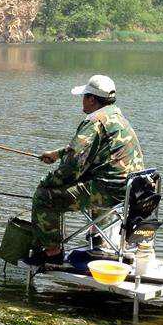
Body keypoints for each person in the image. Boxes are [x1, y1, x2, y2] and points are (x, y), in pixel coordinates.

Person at [28, 75, 145, 265]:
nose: (82, 100)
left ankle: (52, 253)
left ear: (91, 99)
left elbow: (72, 166)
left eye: (84, 96)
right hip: (131, 190)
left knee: (43, 197)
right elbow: (87, 149)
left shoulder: (94, 121)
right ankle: (99, 241)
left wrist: (48, 181)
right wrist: (58, 154)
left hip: (109, 191)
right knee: (91, 180)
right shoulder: (117, 117)